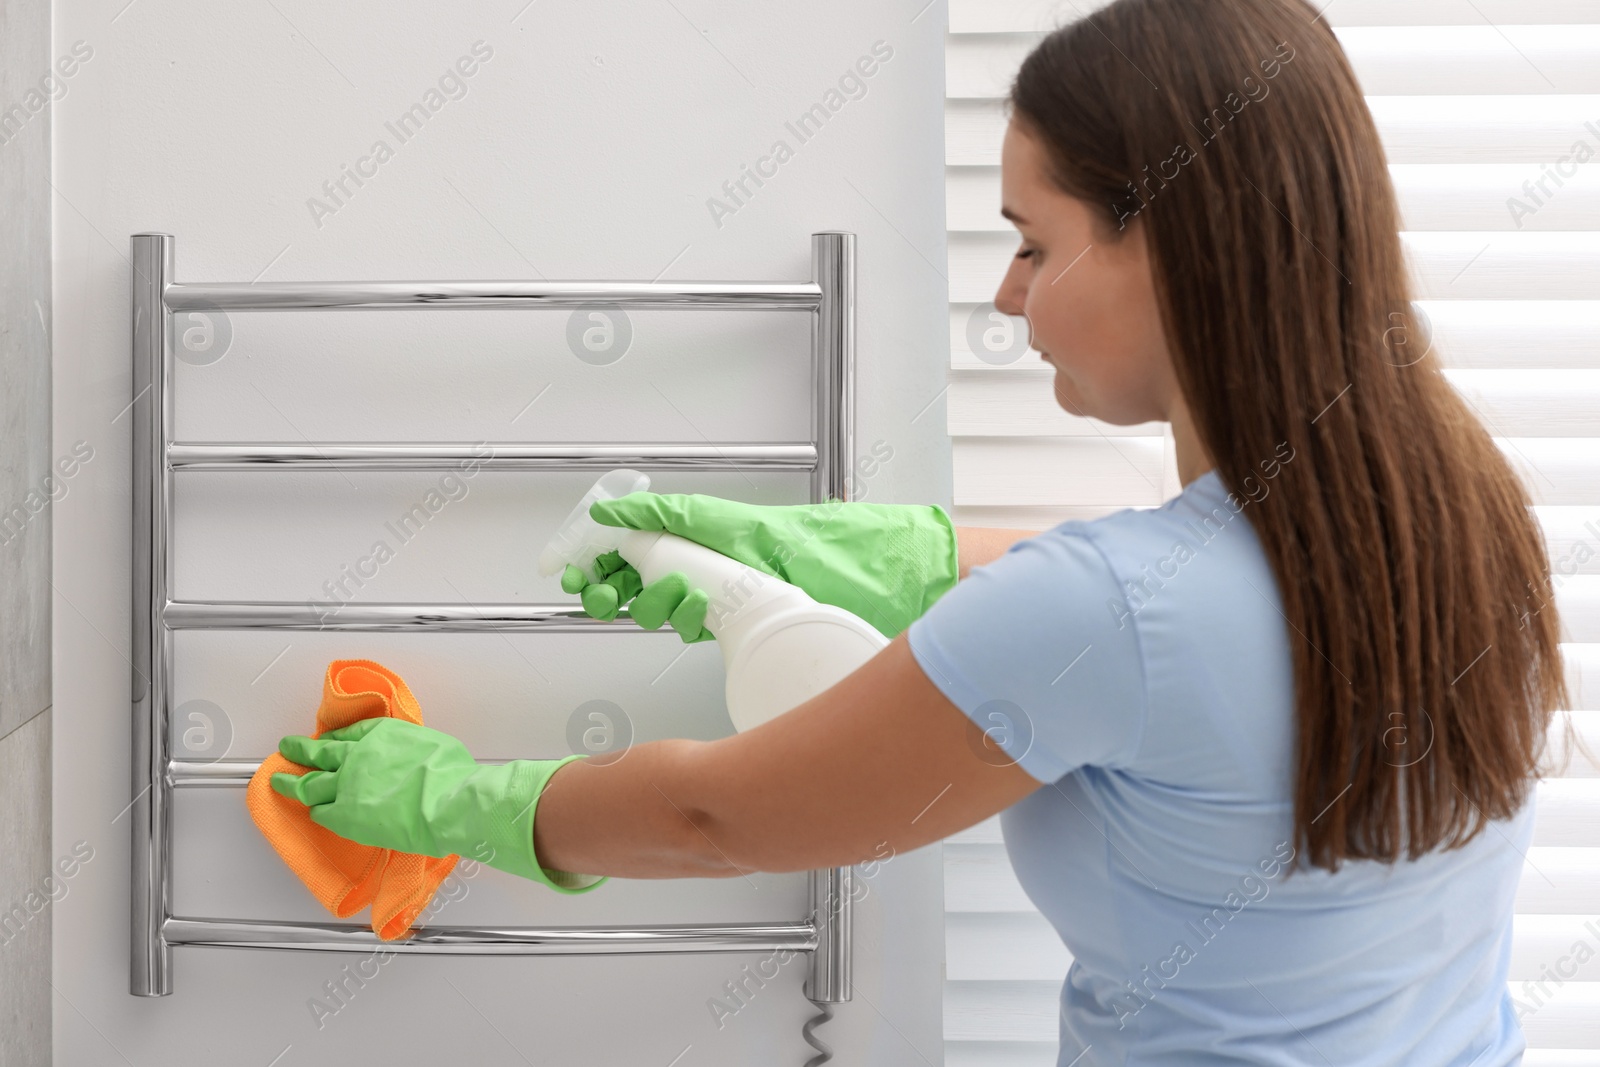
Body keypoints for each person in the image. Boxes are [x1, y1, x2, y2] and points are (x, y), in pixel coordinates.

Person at [270, 0, 1571, 1061]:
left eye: (1029, 243)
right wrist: (829, 557)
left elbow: (713, 818)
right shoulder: (1458, 509)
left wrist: (446, 800)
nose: (1007, 301)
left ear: (1166, 243)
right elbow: (1171, 602)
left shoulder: (1118, 613)